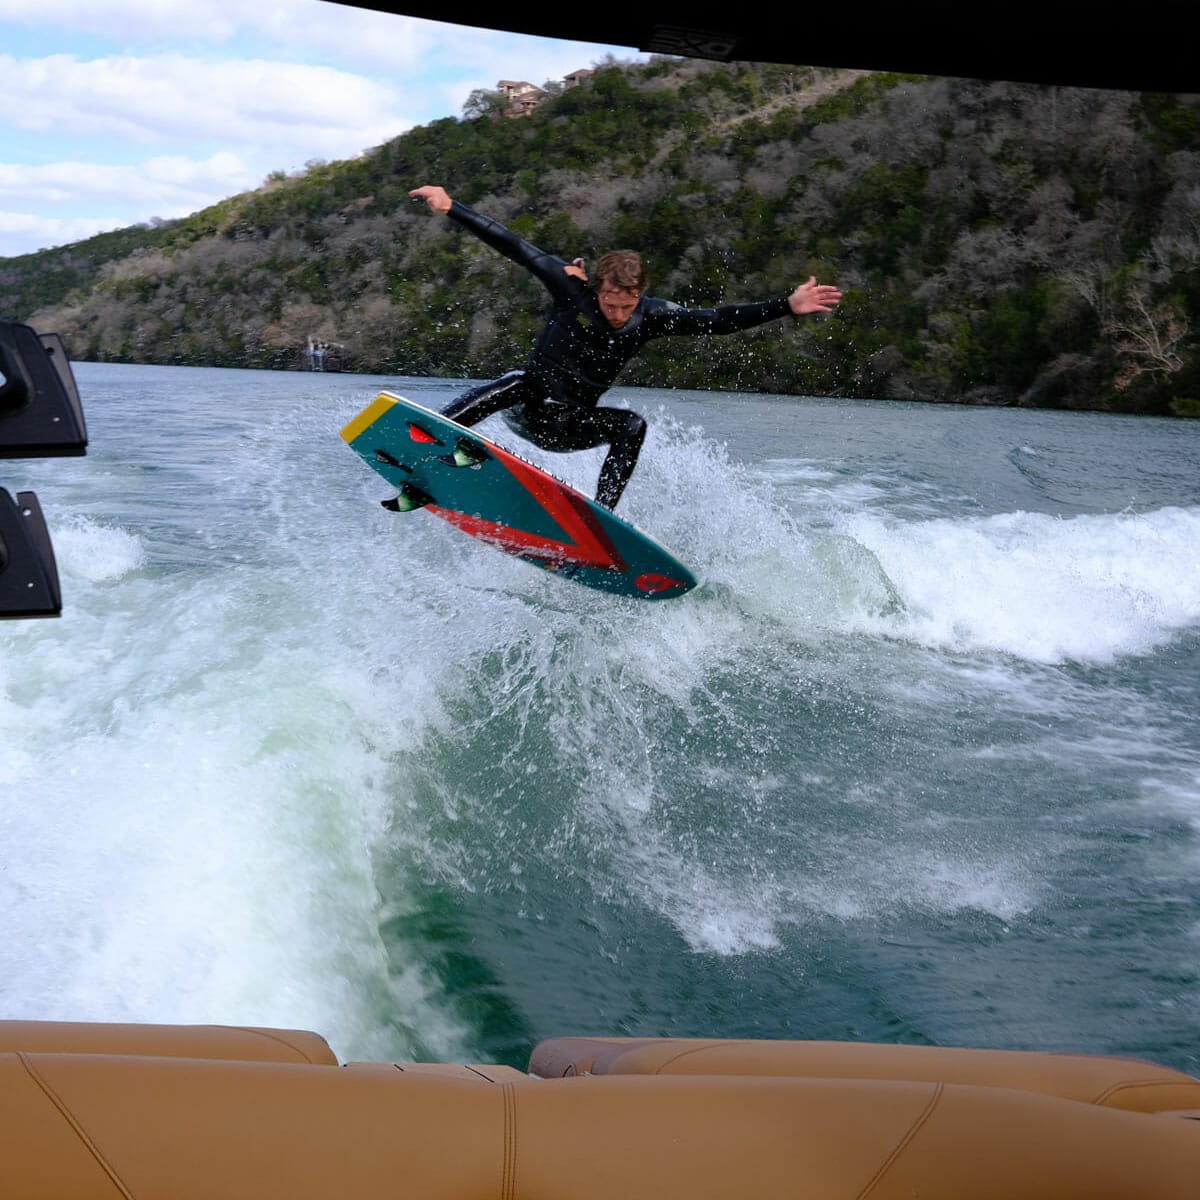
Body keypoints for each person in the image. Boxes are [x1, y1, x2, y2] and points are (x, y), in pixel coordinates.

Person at [409, 185, 842, 510]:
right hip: (526, 410)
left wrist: (786, 305)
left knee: (632, 425)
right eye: (609, 302)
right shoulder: (570, 287)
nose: (617, 313)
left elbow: (717, 320)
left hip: (570, 427)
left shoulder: (650, 315)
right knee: (520, 380)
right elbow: (514, 245)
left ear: (641, 295)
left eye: (626, 304)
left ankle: (601, 516)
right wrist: (451, 207)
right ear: (596, 286)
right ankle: (431, 437)